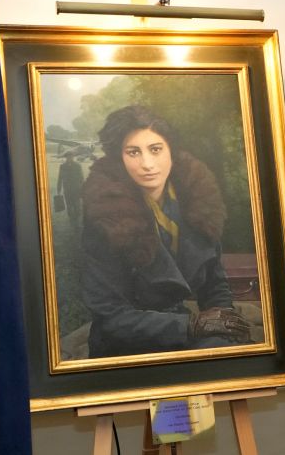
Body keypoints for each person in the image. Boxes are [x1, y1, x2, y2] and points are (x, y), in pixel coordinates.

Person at [81, 105, 251, 358]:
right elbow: (111, 316)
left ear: (171, 152)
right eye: (133, 152)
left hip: (184, 334)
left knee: (233, 354)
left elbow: (215, 285)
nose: (147, 164)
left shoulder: (200, 203)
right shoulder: (105, 218)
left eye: (156, 149)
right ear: (119, 159)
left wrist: (223, 322)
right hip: (127, 345)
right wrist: (191, 325)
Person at [57, 150, 84, 226]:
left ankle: (77, 219)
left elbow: (81, 178)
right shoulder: (62, 166)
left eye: (71, 156)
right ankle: (71, 219)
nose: (70, 158)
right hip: (67, 189)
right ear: (66, 157)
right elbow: (60, 178)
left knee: (77, 205)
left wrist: (82, 188)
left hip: (76, 189)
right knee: (69, 205)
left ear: (73, 157)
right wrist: (59, 189)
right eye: (68, 157)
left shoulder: (78, 166)